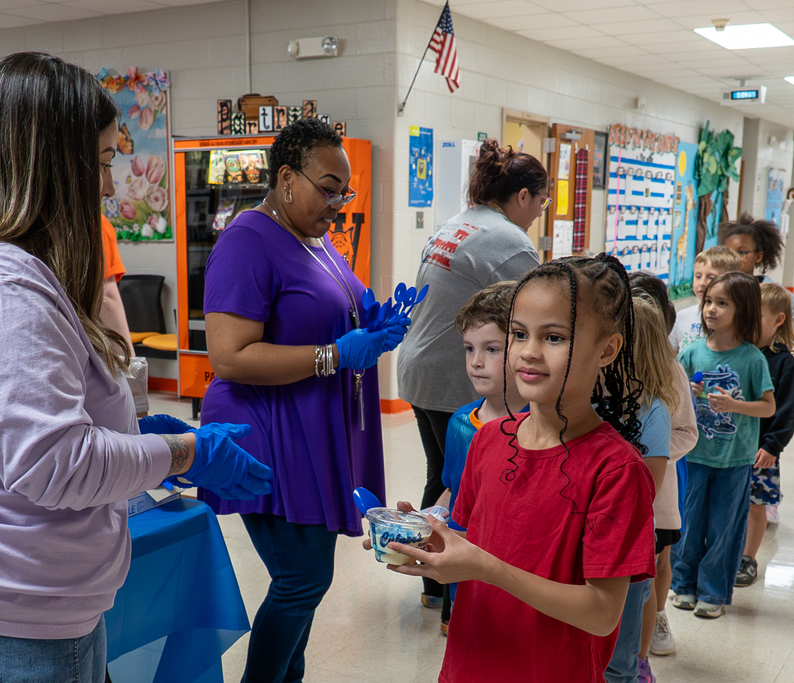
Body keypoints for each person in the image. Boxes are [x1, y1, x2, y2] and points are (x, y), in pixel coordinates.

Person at [0, 52, 271, 682]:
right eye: (103, 164)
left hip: (12, 600)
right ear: (48, 164)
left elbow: (27, 426)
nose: (108, 187)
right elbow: (53, 464)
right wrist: (183, 453)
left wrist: (133, 441)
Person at [201, 117, 409, 683]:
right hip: (266, 429)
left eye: (345, 190)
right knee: (302, 579)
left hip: (310, 425)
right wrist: (335, 356)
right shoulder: (247, 240)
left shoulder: (314, 239)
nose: (338, 201)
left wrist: (375, 321)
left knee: (306, 580)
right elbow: (230, 356)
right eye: (328, 186)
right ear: (287, 178)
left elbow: (336, 311)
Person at [387, 254, 657, 683]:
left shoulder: (616, 470)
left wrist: (487, 568)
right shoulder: (488, 441)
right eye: (518, 334)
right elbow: (474, 540)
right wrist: (424, 537)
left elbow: (603, 613)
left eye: (553, 337)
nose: (528, 352)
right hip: (470, 664)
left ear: (606, 349)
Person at [397, 139, 547, 607]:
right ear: (522, 196)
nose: (539, 213)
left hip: (419, 367)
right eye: (540, 202)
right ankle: (455, 585)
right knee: (463, 482)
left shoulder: (458, 223)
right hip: (451, 375)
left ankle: (433, 582)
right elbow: (540, 307)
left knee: (441, 473)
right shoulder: (509, 241)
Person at [673, 272, 775, 619]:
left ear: (742, 309)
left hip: (734, 459)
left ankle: (713, 592)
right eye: (709, 302)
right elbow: (672, 398)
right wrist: (688, 392)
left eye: (722, 303)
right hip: (694, 456)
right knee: (689, 524)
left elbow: (768, 405)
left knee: (723, 528)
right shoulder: (691, 353)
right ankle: (683, 585)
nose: (711, 310)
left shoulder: (751, 359)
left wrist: (734, 406)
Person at [433, 280, 524, 635]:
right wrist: (424, 522)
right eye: (469, 349)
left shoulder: (546, 428)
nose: (476, 362)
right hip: (465, 575)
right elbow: (454, 494)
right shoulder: (460, 424)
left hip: (518, 579)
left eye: (491, 349)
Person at [605, 295, 674, 683]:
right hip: (584, 538)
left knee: (619, 659)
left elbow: (646, 488)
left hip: (626, 542)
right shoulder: (589, 401)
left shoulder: (652, 410)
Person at [628, 275, 697, 661]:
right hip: (613, 492)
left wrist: (650, 454)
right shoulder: (602, 371)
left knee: (656, 562)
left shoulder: (671, 373)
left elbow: (688, 432)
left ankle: (655, 617)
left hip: (658, 495)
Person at [735, 283, 794, 586]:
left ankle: (748, 558)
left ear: (778, 320)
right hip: (732, 445)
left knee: (755, 505)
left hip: (761, 449)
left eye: (756, 317)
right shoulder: (739, 354)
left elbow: (786, 412)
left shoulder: (784, 363)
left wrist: (773, 445)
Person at [720, 212, 794, 341]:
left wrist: (771, 340)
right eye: (728, 252)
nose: (734, 258)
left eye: (741, 252)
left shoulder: (769, 289)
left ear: (758, 256)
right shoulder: (720, 286)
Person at [668, 246, 741, 352]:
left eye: (711, 278)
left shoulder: (735, 318)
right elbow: (671, 356)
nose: (702, 283)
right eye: (698, 276)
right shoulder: (682, 316)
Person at [99, 214, 133, 354]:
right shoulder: (92, 221)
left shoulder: (29, 215)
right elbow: (106, 297)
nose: (110, 192)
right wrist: (128, 363)